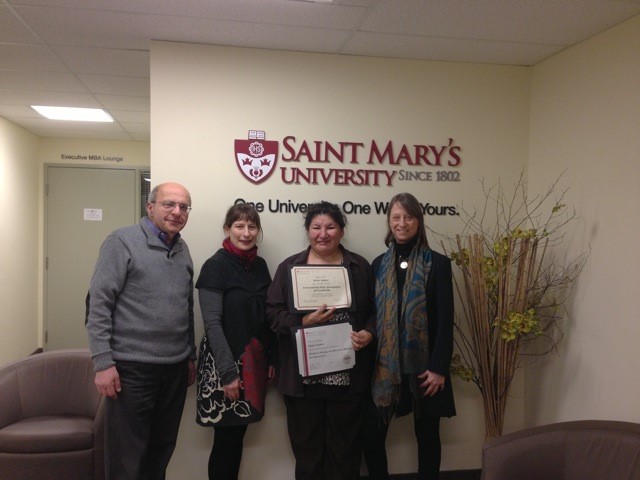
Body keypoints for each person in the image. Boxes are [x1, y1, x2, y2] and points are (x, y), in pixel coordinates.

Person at [86, 182, 197, 480]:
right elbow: (98, 304)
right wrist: (103, 363)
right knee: (127, 457)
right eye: (169, 204)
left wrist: (189, 355)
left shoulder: (182, 249)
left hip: (173, 369)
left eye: (183, 206)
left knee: (160, 452)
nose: (177, 212)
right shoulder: (121, 241)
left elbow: (186, 307)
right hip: (131, 369)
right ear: (150, 207)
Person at [266, 201, 376, 480]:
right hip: (304, 380)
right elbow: (272, 314)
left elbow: (376, 312)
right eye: (316, 227)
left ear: (341, 231)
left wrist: (369, 333)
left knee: (346, 451)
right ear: (308, 231)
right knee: (308, 454)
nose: (323, 234)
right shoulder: (290, 267)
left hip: (347, 377)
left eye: (330, 227)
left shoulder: (359, 266)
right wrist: (302, 322)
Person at [362, 192, 456, 480]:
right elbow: (374, 314)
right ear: (389, 222)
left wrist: (439, 368)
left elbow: (445, 319)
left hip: (426, 367)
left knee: (427, 434)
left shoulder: (438, 264)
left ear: (418, 220)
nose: (402, 223)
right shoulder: (378, 264)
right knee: (371, 434)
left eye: (408, 217)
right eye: (396, 217)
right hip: (385, 367)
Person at [195, 203, 275, 480]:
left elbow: (266, 318)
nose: (246, 232)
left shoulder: (261, 266)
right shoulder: (215, 266)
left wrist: (271, 359)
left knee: (238, 434)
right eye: (239, 226)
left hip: (253, 362)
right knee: (226, 439)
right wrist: (229, 374)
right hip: (224, 364)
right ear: (227, 229)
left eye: (252, 226)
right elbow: (212, 324)